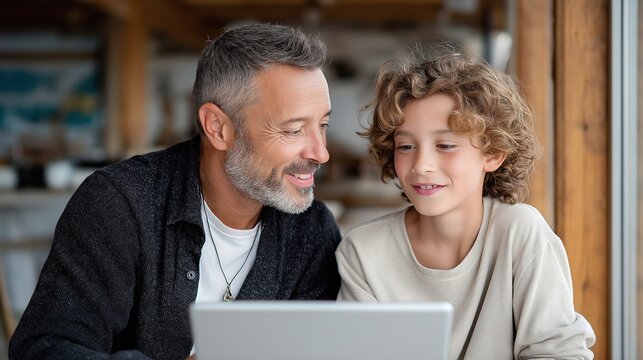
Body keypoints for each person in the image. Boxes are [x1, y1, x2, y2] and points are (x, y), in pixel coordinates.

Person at [10, 23, 341, 360]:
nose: (320, 153)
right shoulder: (119, 203)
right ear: (218, 128)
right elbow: (44, 350)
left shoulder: (311, 232)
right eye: (294, 129)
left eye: (323, 125)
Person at [336, 48, 596, 359]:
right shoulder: (362, 252)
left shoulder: (522, 235)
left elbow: (559, 353)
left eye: (445, 145)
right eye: (406, 146)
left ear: (493, 153)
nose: (422, 165)